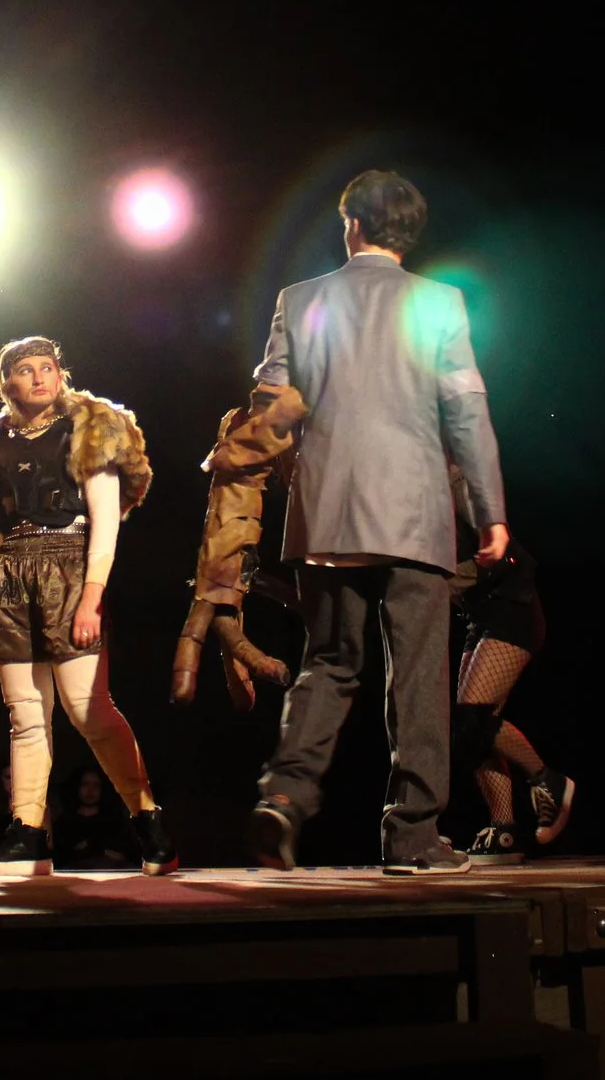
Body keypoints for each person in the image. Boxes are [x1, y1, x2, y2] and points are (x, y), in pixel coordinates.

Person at [249, 170, 513, 876]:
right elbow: (466, 412)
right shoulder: (439, 303)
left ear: (352, 225)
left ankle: (285, 792)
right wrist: (490, 512)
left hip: (327, 510)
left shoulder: (300, 298)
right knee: (418, 675)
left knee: (329, 660)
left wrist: (285, 470)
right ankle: (413, 837)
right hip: (414, 512)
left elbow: (271, 402)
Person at [0, 336, 176, 877]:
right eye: (27, 370)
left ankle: (147, 818)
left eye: (48, 367)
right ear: (7, 384)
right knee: (25, 714)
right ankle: (28, 836)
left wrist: (91, 595)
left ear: (61, 374)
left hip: (69, 565)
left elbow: (106, 518)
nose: (40, 377)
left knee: (86, 707)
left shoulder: (90, 427)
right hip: (10, 572)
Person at [448, 470, 573, 866]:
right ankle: (504, 830)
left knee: (472, 718)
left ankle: (547, 779)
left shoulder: (457, 484)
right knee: (471, 732)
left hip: (511, 609)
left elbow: (502, 552)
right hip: (479, 615)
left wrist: (442, 585)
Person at [52, 767, 134, 870]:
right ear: (76, 788)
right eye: (85, 784)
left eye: (96, 785)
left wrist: (97, 849)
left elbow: (126, 856)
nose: (91, 790)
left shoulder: (115, 822)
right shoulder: (64, 823)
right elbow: (59, 859)